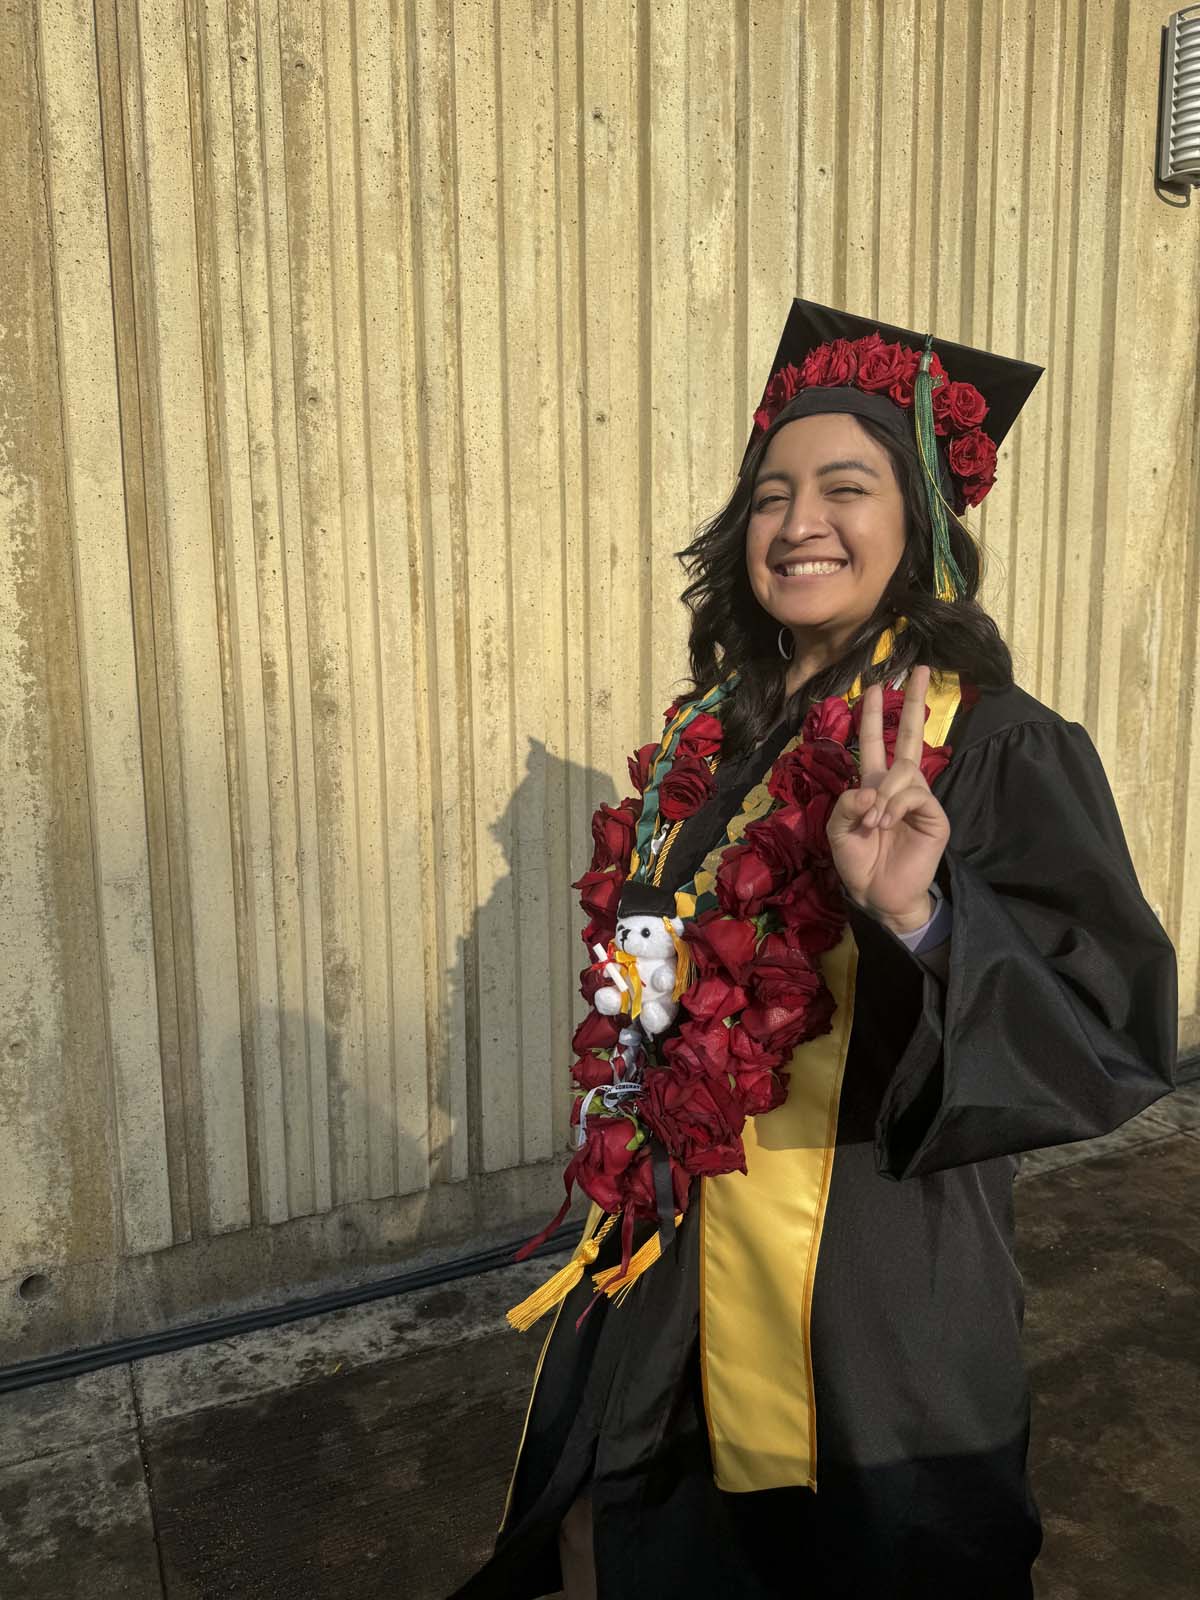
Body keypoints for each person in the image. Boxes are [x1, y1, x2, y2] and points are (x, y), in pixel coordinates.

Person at [449, 300, 1178, 1600]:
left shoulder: (991, 747)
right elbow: (647, 950)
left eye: (849, 486)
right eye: (773, 489)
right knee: (611, 1537)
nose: (798, 521)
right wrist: (631, 1073)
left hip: (871, 1302)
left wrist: (924, 918)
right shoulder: (708, 740)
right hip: (667, 1276)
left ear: (924, 534)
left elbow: (1104, 1034)